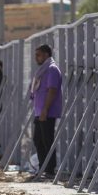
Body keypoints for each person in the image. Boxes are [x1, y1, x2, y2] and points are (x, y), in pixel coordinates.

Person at [29, 44, 63, 178]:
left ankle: (49, 170)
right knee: (38, 139)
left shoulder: (52, 69)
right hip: (40, 111)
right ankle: (43, 167)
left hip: (47, 112)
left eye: (38, 55)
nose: (36, 58)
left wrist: (45, 109)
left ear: (46, 55)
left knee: (47, 140)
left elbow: (52, 90)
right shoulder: (43, 70)